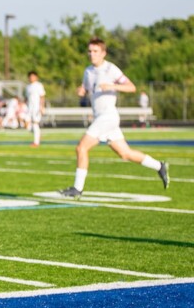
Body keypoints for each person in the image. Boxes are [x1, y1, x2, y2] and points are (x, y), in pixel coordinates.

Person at [59, 38, 169, 198]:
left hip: (108, 117)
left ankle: (77, 189)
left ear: (103, 53)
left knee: (81, 148)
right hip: (101, 117)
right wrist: (82, 91)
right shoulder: (88, 71)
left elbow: (132, 87)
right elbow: (88, 90)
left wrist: (112, 86)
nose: (91, 54)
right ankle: (159, 166)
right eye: (89, 51)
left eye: (95, 51)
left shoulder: (111, 69)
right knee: (125, 154)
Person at [25, 71, 46, 146]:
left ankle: (36, 142)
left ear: (36, 77)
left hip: (37, 108)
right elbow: (27, 98)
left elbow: (42, 96)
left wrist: (42, 107)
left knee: (35, 123)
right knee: (26, 123)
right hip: (29, 108)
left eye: (33, 76)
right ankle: (38, 134)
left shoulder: (39, 85)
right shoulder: (28, 87)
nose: (31, 78)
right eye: (30, 76)